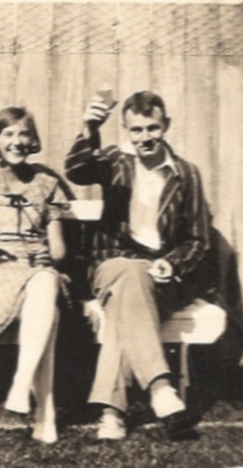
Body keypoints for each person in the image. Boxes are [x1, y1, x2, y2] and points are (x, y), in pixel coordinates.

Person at [65, 90, 209, 440]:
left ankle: (111, 413)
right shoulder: (114, 161)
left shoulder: (186, 175)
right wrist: (89, 127)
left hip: (160, 276)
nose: (145, 137)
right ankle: (161, 389)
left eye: (152, 128)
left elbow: (198, 239)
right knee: (130, 274)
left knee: (125, 305)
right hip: (111, 263)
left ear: (166, 126)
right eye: (136, 130)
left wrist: (172, 264)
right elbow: (76, 171)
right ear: (126, 130)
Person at [0, 107, 68, 444]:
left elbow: (60, 251)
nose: (16, 141)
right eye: (8, 134)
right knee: (47, 307)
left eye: (23, 134)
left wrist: (46, 252)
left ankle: (22, 388)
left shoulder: (47, 185)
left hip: (35, 270)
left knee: (46, 284)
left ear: (32, 140)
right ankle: (43, 412)